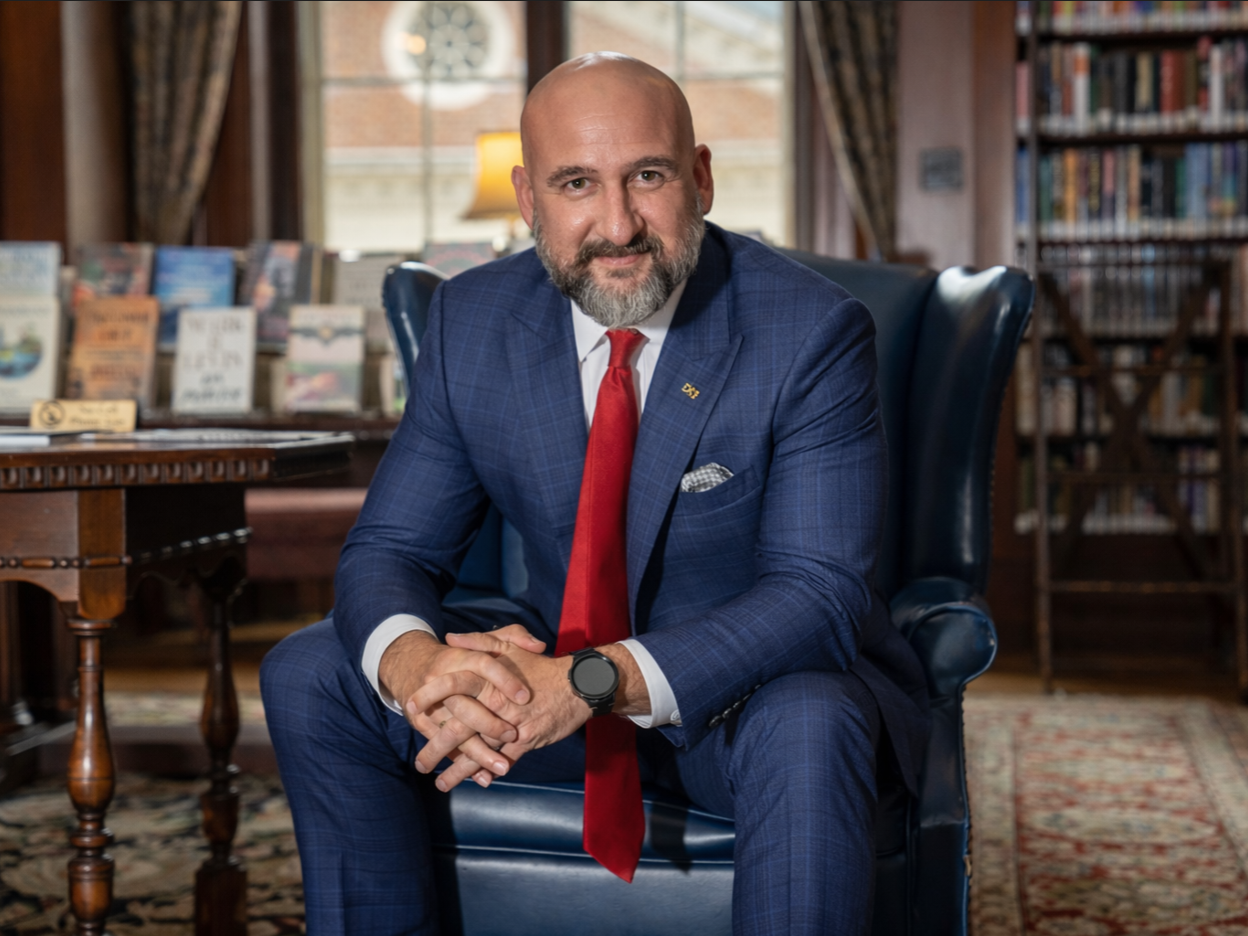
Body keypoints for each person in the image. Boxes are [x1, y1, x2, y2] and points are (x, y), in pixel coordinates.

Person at [261, 52, 929, 935]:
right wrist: (419, 666)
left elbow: (818, 593)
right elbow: (391, 550)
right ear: (529, 200)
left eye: (646, 176)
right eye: (577, 183)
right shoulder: (473, 321)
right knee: (314, 671)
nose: (617, 224)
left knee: (813, 716)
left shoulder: (809, 331)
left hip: (738, 704)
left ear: (700, 179)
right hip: (547, 681)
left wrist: (586, 681)